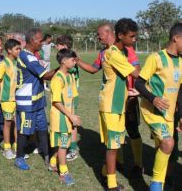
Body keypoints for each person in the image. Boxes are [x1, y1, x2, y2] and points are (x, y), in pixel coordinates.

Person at [77, 23, 144, 176]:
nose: (97, 37)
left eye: (99, 34)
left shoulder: (127, 50)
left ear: (107, 32)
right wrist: (78, 61)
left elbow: (138, 72)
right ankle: (118, 162)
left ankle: (138, 164)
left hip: (129, 98)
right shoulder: (103, 53)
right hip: (113, 99)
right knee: (116, 134)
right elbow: (94, 69)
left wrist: (136, 92)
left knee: (132, 130)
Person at [135, 22, 182, 191]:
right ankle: (155, 185)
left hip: (169, 115)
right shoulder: (155, 58)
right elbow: (139, 83)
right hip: (152, 111)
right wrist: (153, 98)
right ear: (176, 38)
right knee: (168, 143)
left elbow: (180, 91)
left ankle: (163, 181)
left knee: (165, 149)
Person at [98, 18, 140, 191]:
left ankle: (104, 171)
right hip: (111, 106)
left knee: (114, 144)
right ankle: (112, 185)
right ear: (120, 35)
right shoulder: (114, 54)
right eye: (132, 36)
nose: (134, 39)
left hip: (114, 104)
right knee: (113, 147)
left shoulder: (119, 52)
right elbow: (136, 73)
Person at [14, 28, 58, 170]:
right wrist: (62, 66)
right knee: (25, 131)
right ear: (32, 40)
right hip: (27, 101)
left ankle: (47, 156)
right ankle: (19, 158)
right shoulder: (27, 56)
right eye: (40, 40)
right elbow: (46, 76)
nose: (42, 43)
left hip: (37, 100)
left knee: (43, 129)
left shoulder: (32, 55)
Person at [49, 48, 82, 186]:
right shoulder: (57, 79)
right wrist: (70, 116)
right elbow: (56, 102)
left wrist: (74, 115)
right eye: (73, 60)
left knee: (65, 143)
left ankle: (52, 162)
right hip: (61, 117)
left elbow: (72, 97)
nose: (75, 62)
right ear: (63, 61)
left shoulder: (69, 76)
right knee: (63, 145)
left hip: (68, 117)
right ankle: (63, 172)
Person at [0, 38, 21, 159]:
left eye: (19, 48)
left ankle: (18, 148)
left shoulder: (18, 63)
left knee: (17, 124)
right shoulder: (3, 64)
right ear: (9, 50)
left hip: (18, 99)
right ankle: (7, 148)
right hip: (7, 100)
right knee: (8, 123)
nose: (19, 51)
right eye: (16, 49)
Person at [55, 35, 80, 162]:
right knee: (70, 121)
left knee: (72, 121)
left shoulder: (70, 66)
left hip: (70, 96)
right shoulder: (63, 71)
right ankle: (64, 151)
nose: (56, 47)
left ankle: (72, 149)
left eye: (58, 45)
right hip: (68, 95)